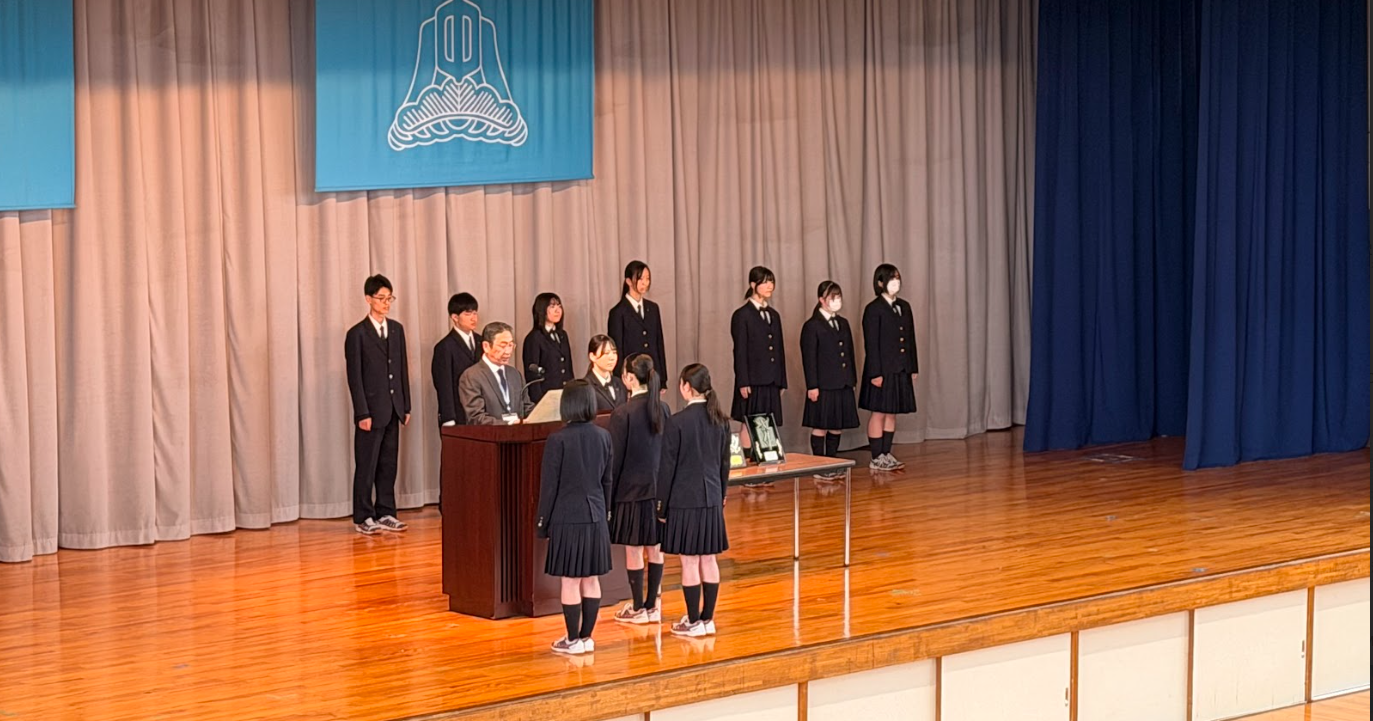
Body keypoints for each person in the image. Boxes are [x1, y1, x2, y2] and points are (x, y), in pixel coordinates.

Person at [535, 380, 614, 655]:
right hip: (596, 516)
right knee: (591, 579)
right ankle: (586, 637)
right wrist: (606, 513)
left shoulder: (557, 439)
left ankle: (572, 640)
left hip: (567, 517)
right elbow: (607, 481)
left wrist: (542, 523)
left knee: (570, 580)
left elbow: (549, 487)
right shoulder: (604, 436)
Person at [657, 363, 731, 638]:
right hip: (711, 498)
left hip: (684, 500)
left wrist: (661, 506)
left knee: (689, 562)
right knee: (709, 559)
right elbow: (725, 464)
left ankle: (692, 621)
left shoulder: (677, 422)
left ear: (686, 387)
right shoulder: (721, 420)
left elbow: (667, 469)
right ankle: (707, 619)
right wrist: (721, 495)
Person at [344, 275, 411, 536]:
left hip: (393, 408)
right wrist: (362, 412)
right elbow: (355, 377)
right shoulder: (357, 334)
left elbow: (402, 369)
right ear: (368, 299)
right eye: (381, 298)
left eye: (389, 298)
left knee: (388, 463)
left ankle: (386, 512)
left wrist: (406, 405)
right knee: (367, 465)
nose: (386, 303)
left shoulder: (396, 330)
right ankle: (363, 516)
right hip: (371, 411)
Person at [609, 354, 671, 625]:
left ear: (629, 378)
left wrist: (609, 497)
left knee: (634, 550)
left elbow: (614, 460)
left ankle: (638, 608)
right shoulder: (663, 408)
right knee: (655, 548)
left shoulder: (622, 413)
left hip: (631, 491)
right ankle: (652, 606)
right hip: (658, 489)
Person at [859, 264, 918, 471]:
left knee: (892, 412)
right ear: (880, 282)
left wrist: (912, 366)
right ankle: (876, 457)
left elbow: (910, 339)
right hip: (882, 370)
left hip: (900, 368)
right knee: (879, 412)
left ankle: (886, 453)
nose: (896, 282)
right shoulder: (873, 309)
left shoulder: (904, 306)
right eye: (891, 278)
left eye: (898, 278)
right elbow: (871, 344)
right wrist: (875, 373)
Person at [800, 281, 860, 481]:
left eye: (839, 297)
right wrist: (812, 386)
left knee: (836, 424)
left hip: (842, 383)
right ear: (821, 300)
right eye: (832, 298)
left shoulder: (843, 323)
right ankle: (819, 466)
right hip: (823, 384)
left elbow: (849, 353)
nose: (837, 301)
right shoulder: (812, 326)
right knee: (821, 424)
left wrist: (851, 379)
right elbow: (809, 358)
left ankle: (833, 463)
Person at [730, 266, 787, 463]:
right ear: (753, 285)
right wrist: (743, 381)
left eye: (771, 281)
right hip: (752, 380)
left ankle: (765, 461)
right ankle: (747, 462)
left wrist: (781, 380)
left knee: (768, 422)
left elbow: (779, 349)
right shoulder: (742, 315)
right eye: (765, 282)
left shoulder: (774, 315)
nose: (770, 286)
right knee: (749, 420)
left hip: (771, 379)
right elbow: (740, 351)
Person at [458, 322, 535, 425]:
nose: (508, 351)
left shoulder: (515, 374)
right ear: (486, 346)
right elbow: (476, 417)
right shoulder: (471, 376)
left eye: (511, 345)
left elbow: (526, 407)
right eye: (503, 346)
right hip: (490, 434)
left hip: (518, 433)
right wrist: (508, 424)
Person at [606, 261, 667, 378]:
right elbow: (617, 350)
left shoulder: (653, 308)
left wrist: (663, 378)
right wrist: (621, 379)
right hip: (631, 376)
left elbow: (659, 344)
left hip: (653, 374)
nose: (645, 283)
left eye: (647, 278)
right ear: (628, 281)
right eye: (640, 279)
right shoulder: (618, 312)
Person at [432, 292, 481, 427]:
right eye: (468, 314)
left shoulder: (482, 341)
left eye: (475, 313)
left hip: (481, 413)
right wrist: (448, 418)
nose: (473, 318)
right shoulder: (444, 347)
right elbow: (444, 385)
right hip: (458, 413)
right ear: (455, 317)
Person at [521, 292, 575, 405]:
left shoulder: (563, 335)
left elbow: (568, 367)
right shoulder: (534, 338)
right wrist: (539, 402)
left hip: (565, 396)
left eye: (559, 306)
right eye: (552, 306)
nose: (557, 310)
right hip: (547, 398)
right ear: (541, 310)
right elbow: (532, 375)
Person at [585, 335, 628, 413]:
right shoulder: (585, 386)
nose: (612, 358)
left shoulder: (620, 383)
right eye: (606, 353)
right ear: (592, 356)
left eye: (614, 352)